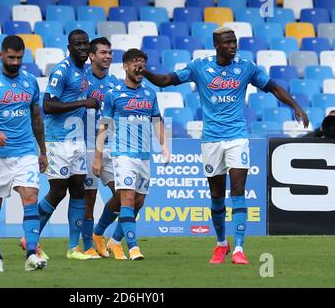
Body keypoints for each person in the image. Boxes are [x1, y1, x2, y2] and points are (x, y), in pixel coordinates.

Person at [142, 27, 309, 265]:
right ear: (217, 45)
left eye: (235, 42)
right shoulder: (199, 66)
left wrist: (296, 106)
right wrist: (147, 72)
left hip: (237, 137)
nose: (233, 46)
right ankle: (222, 243)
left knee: (238, 191)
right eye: (228, 42)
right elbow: (167, 80)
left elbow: (273, 87)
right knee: (217, 196)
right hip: (211, 139)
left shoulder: (246, 67)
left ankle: (239, 248)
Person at [0, 35, 48, 272]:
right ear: (1, 56)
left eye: (19, 58)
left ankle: (31, 255)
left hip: (25, 150)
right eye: (11, 57)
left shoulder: (30, 82)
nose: (15, 62)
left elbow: (36, 118)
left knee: (30, 197)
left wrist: (42, 151)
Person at [93, 48, 170, 260]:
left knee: (138, 202)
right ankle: (133, 247)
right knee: (126, 198)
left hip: (144, 155)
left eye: (143, 63)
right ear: (125, 66)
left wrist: (164, 146)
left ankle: (110, 239)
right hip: (122, 154)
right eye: (136, 62)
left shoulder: (149, 94)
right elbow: (104, 126)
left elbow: (157, 121)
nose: (140, 67)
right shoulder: (113, 94)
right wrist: (98, 157)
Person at [36, 29, 98, 260]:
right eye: (78, 45)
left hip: (77, 141)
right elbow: (48, 106)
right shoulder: (61, 71)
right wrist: (83, 102)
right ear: (69, 48)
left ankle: (74, 248)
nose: (83, 48)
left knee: (78, 189)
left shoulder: (85, 71)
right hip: (58, 140)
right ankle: (30, 238)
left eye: (85, 44)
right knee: (58, 191)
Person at [81, 37, 121, 259]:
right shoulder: (81, 81)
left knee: (124, 195)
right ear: (92, 56)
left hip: (111, 147)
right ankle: (88, 245)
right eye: (103, 52)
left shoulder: (115, 83)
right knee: (89, 198)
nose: (108, 56)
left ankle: (99, 234)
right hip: (86, 146)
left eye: (110, 52)